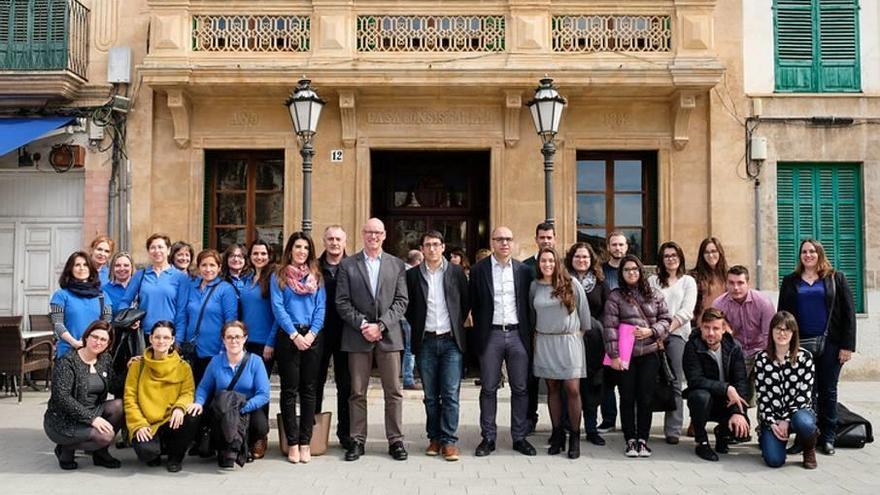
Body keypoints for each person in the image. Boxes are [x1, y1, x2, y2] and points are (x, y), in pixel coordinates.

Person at [336, 218, 409, 462]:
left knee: (394, 392)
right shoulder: (348, 265)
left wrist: (381, 325)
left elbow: (401, 301)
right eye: (369, 232)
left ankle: (396, 440)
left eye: (378, 232)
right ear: (362, 234)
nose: (373, 237)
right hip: (358, 336)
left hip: (389, 337)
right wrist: (363, 325)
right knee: (357, 392)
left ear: (385, 235)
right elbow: (342, 302)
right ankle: (357, 440)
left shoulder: (396, 264)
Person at [778, 239, 856, 456]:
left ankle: (828, 436)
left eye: (812, 251)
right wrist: (782, 344)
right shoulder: (790, 281)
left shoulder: (835, 278)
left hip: (830, 343)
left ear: (819, 254)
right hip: (799, 345)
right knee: (801, 392)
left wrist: (847, 345)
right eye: (804, 251)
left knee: (827, 390)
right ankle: (804, 437)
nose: (808, 255)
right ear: (800, 255)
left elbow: (849, 313)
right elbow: (782, 315)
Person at [470, 226, 536, 457]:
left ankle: (519, 437)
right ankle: (488, 437)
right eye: (499, 239)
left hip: (518, 334)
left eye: (508, 239)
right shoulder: (479, 270)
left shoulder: (524, 271)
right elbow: (472, 302)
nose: (504, 243)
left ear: (513, 242)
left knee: (520, 388)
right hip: (491, 335)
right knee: (488, 388)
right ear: (492, 242)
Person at [405, 231, 470, 461]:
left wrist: (454, 324)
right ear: (422, 249)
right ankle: (434, 438)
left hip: (451, 341)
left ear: (443, 247)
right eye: (427, 245)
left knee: (450, 393)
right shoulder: (412, 276)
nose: (432, 249)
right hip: (426, 341)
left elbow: (465, 302)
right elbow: (408, 307)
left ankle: (449, 441)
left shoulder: (456, 272)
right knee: (431, 395)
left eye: (436, 244)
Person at [602, 254, 672, 458]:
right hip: (626, 355)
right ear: (621, 273)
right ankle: (630, 439)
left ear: (641, 271)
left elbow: (666, 319)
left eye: (635, 269)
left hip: (649, 352)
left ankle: (643, 439)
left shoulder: (655, 294)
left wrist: (652, 331)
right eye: (627, 270)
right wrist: (614, 355)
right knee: (627, 397)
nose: (631, 273)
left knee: (645, 398)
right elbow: (610, 327)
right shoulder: (615, 296)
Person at [270, 232, 326, 464]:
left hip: (312, 337)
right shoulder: (279, 276)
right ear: (290, 250)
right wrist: (294, 335)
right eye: (297, 247)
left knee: (309, 389)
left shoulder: (317, 277)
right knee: (289, 390)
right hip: (289, 336)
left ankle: (306, 442)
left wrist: (311, 334)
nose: (301, 251)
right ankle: (292, 442)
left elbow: (321, 308)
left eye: (305, 248)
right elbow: (278, 307)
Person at [529, 247, 590, 459]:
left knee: (572, 388)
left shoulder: (572, 284)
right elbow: (532, 314)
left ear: (557, 263)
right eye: (543, 261)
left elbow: (585, 318)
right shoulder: (535, 286)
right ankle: (557, 435)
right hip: (545, 341)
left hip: (569, 341)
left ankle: (574, 436)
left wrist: (575, 337)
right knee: (552, 388)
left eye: (551, 261)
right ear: (539, 264)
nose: (547, 264)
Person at [186, 321, 271, 469]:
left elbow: (264, 394)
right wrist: (198, 402)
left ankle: (242, 444)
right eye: (229, 337)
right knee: (220, 413)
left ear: (245, 338)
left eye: (238, 336)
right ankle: (228, 447)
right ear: (223, 339)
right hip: (222, 410)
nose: (234, 341)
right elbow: (204, 388)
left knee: (261, 426)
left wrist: (242, 407)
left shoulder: (255, 362)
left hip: (246, 408)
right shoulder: (215, 362)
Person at [44, 321, 123, 470]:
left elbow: (114, 385)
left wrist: (132, 368)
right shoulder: (68, 361)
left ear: (108, 343)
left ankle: (100, 455)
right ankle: (65, 448)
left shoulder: (105, 359)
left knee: (119, 406)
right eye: (95, 337)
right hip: (63, 419)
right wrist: (92, 419)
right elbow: (62, 398)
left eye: (103, 339)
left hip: (93, 411)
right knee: (106, 436)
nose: (98, 342)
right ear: (86, 337)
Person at [124, 320, 198, 472]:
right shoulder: (138, 365)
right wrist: (138, 424)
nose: (161, 341)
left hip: (171, 420)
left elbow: (188, 392)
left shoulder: (183, 367)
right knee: (148, 454)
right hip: (147, 422)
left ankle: (175, 457)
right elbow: (130, 398)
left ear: (172, 340)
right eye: (157, 337)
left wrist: (179, 407)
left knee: (192, 414)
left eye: (166, 337)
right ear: (150, 339)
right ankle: (155, 450)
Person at [683, 307, 751, 462]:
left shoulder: (734, 347)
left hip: (727, 402)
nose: (711, 333)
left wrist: (738, 413)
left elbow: (741, 382)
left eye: (715, 328)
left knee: (742, 431)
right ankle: (702, 442)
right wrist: (726, 388)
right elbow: (695, 380)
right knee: (699, 396)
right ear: (700, 327)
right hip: (705, 401)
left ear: (724, 329)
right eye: (706, 328)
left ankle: (723, 432)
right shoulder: (692, 346)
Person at [648, 241, 697, 445]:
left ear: (680, 258)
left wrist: (666, 330)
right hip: (653, 336)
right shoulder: (652, 281)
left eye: (674, 255)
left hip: (677, 335)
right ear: (661, 259)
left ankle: (673, 429)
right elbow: (648, 307)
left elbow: (687, 311)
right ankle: (643, 424)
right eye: (667, 256)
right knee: (650, 381)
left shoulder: (688, 282)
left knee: (675, 381)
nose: (671, 259)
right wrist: (656, 332)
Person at [756, 311, 818, 469]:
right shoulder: (762, 359)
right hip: (774, 417)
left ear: (793, 332)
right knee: (774, 461)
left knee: (804, 422)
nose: (781, 333)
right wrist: (772, 422)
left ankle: (809, 448)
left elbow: (804, 396)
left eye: (786, 329)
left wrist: (787, 420)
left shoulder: (805, 358)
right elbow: (762, 397)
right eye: (777, 328)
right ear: (771, 331)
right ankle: (766, 437)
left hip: (798, 413)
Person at [565, 242, 609, 446]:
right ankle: (567, 426)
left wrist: (595, 326)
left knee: (592, 385)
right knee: (570, 384)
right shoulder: (564, 281)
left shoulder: (600, 282)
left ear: (591, 260)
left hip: (593, 340)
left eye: (585, 257)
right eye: (577, 257)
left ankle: (591, 428)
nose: (581, 260)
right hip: (569, 338)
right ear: (571, 259)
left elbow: (607, 310)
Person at [712, 265, 776, 405]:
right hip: (736, 350)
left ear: (748, 284)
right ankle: (734, 421)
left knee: (767, 389)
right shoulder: (718, 304)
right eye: (731, 283)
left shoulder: (763, 302)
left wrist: (767, 362)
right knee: (736, 391)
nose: (736, 288)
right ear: (726, 284)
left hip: (760, 349)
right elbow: (715, 335)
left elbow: (769, 336)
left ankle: (765, 424)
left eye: (740, 283)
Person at [238, 239, 277, 459]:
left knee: (261, 389)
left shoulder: (272, 279)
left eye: (263, 253)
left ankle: (260, 437)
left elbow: (277, 313)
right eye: (255, 253)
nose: (259, 257)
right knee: (247, 388)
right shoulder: (246, 279)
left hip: (265, 343)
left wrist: (271, 342)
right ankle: (246, 433)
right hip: (246, 342)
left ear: (269, 255)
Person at [315, 225, 352, 450]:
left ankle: (345, 433)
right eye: (330, 239)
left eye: (338, 239)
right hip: (318, 332)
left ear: (345, 241)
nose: (334, 243)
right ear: (324, 241)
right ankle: (314, 432)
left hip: (347, 333)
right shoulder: (314, 267)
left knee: (346, 385)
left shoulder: (354, 266)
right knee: (314, 383)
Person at [176, 249, 238, 383]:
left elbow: (231, 322)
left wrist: (225, 349)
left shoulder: (226, 289)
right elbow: (182, 316)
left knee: (210, 396)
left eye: (212, 265)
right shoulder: (191, 287)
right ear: (198, 267)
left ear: (219, 267)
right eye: (204, 265)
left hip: (215, 351)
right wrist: (178, 342)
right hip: (191, 350)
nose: (208, 269)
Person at [120, 234, 192, 338]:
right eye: (152, 248)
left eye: (160, 247)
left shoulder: (180, 277)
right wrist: (129, 319)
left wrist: (178, 340)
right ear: (149, 252)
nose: (157, 251)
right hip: (144, 335)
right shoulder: (140, 275)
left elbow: (181, 312)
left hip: (168, 336)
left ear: (168, 250)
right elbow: (125, 301)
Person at [522, 222, 556, 434]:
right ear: (536, 240)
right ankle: (529, 420)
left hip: (556, 334)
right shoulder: (524, 267)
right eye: (542, 237)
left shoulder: (561, 266)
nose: (545, 241)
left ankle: (559, 424)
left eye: (549, 237)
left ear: (555, 239)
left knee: (558, 381)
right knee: (529, 379)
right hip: (531, 332)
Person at [50, 251, 113, 359]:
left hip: (95, 353)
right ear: (70, 269)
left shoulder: (102, 296)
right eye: (77, 265)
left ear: (90, 269)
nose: (81, 268)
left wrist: (92, 344)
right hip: (68, 351)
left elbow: (107, 323)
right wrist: (74, 342)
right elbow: (57, 324)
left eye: (85, 265)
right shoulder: (60, 295)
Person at [598, 231, 628, 433]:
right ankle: (609, 419)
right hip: (606, 330)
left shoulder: (632, 269)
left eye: (621, 245)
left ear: (626, 247)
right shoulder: (600, 271)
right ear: (608, 247)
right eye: (614, 244)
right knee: (606, 380)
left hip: (628, 332)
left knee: (627, 380)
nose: (618, 248)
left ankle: (628, 422)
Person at [690, 237, 729, 326]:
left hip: (723, 326)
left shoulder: (728, 276)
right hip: (701, 325)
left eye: (713, 251)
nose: (710, 255)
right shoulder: (693, 277)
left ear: (720, 253)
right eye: (706, 252)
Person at [401, 249, 424, 390]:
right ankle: (408, 378)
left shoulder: (400, 272)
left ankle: (409, 376)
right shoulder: (412, 275)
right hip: (410, 315)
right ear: (418, 261)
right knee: (411, 348)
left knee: (408, 347)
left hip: (401, 315)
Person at [102, 251, 134, 316]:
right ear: (112, 268)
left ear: (132, 267)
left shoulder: (140, 288)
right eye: (117, 265)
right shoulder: (104, 290)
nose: (122, 268)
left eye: (126, 265)